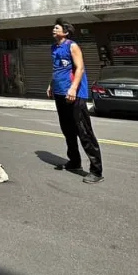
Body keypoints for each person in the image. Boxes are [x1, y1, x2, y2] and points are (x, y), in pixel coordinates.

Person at [47, 18, 104, 184]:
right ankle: (74, 161)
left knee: (83, 131)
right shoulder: (54, 47)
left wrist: (73, 88)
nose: (54, 29)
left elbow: (80, 68)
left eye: (57, 28)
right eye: (54, 27)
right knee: (67, 130)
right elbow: (57, 68)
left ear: (65, 32)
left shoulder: (72, 46)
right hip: (59, 93)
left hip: (74, 94)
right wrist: (51, 84)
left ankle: (96, 170)